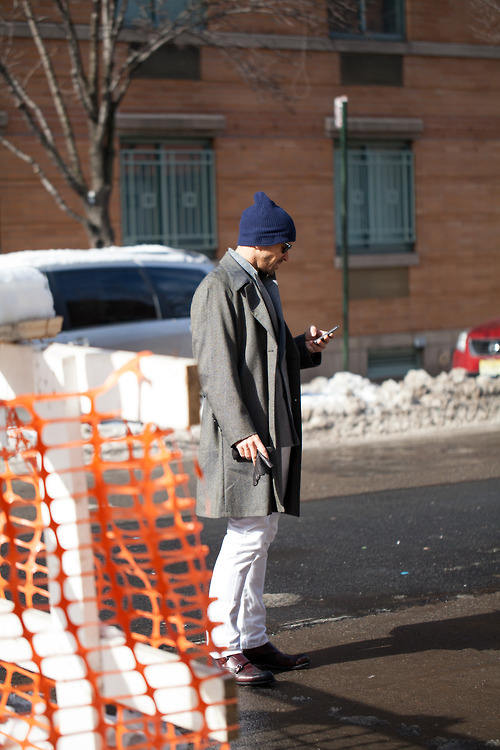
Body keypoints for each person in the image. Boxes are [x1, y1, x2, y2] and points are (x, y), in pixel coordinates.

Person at [190, 192, 335, 686]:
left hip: (266, 429)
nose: (289, 256)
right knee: (247, 536)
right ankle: (224, 644)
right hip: (245, 434)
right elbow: (215, 370)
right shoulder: (219, 288)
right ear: (264, 242)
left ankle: (251, 638)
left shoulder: (261, 281)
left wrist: (303, 349)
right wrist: (242, 431)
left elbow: (264, 358)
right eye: (286, 246)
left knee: (262, 533)